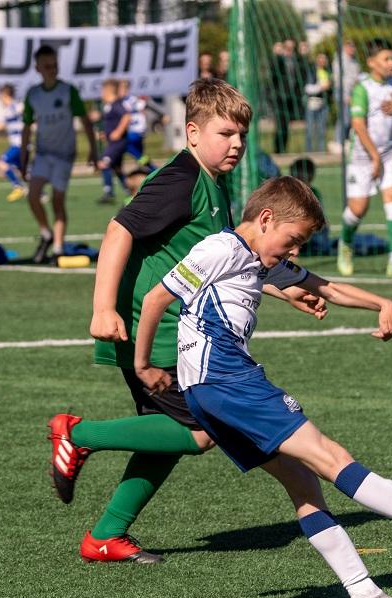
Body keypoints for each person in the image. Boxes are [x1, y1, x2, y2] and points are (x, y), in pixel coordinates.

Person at [132, 176, 392, 598]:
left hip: (208, 392)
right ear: (266, 219)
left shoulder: (257, 258)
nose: (294, 252)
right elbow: (157, 297)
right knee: (333, 459)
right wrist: (143, 364)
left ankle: (364, 595)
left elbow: (325, 286)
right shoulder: (221, 248)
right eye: (293, 240)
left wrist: (381, 303)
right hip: (227, 380)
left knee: (303, 483)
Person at [45, 79, 324, 564]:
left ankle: (106, 535)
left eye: (241, 135)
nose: (236, 144)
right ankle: (77, 433)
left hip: (177, 328)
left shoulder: (212, 183)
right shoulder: (180, 179)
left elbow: (220, 264)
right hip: (153, 329)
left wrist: (286, 291)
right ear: (192, 133)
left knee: (167, 434)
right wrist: (103, 307)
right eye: (225, 133)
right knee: (200, 432)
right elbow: (118, 230)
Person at [337, 38, 392, 278]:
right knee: (358, 209)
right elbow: (358, 125)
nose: (391, 63)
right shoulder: (362, 88)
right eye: (386, 59)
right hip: (363, 157)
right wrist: (374, 156)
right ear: (371, 62)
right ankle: (345, 244)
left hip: (388, 154)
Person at [19, 45, 97, 263]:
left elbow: (85, 121)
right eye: (47, 66)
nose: (52, 70)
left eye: (54, 65)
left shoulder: (68, 91)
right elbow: (26, 128)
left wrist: (93, 149)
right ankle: (46, 233)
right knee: (33, 196)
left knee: (57, 201)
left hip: (64, 154)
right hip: (43, 153)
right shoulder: (33, 95)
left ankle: (58, 248)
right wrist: (23, 159)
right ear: (38, 68)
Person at [0, 84, 26, 203]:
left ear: (5, 95)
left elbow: (1, 125)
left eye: (0, 97)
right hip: (21, 144)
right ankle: (40, 194)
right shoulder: (13, 107)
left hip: (19, 145)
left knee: (1, 162)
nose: (0, 100)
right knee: (24, 172)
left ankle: (17, 187)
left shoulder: (12, 108)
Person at [96, 79, 130, 205]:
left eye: (102, 91)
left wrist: (118, 132)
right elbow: (112, 123)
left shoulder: (116, 104)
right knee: (117, 169)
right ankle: (131, 191)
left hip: (118, 144)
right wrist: (106, 134)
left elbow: (127, 116)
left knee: (103, 163)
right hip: (113, 143)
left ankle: (108, 192)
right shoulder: (109, 106)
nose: (101, 93)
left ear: (108, 91)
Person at [118, 79, 157, 171]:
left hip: (136, 130)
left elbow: (147, 106)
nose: (120, 91)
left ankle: (153, 168)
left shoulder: (132, 99)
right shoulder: (120, 101)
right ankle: (151, 170)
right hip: (132, 131)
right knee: (140, 155)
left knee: (125, 145)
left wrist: (162, 115)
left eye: (122, 89)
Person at [331, 39, 361, 154]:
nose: (352, 49)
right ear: (344, 47)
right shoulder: (340, 60)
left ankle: (347, 141)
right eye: (350, 46)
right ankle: (339, 142)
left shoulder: (354, 60)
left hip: (353, 92)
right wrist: (346, 95)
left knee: (351, 118)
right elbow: (339, 79)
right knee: (344, 118)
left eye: (353, 46)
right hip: (343, 91)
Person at [304, 52, 332, 153]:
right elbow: (307, 88)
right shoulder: (312, 71)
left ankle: (321, 152)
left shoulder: (328, 72)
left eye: (324, 59)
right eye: (320, 58)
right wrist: (321, 87)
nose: (322, 61)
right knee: (310, 130)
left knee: (322, 130)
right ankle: (309, 152)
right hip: (313, 103)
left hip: (324, 103)